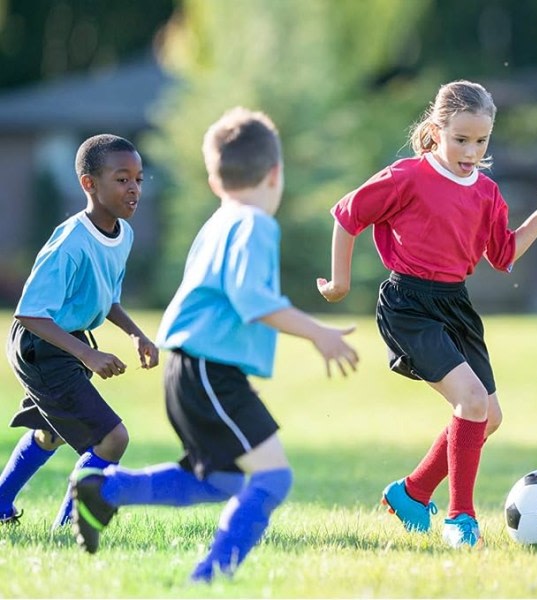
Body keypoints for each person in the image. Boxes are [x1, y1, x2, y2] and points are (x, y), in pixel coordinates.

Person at [70, 107, 359, 582]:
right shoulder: (255, 224)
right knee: (273, 477)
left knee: (220, 481)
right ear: (275, 174)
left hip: (190, 368)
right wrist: (318, 333)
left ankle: (107, 489)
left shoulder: (221, 220)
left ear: (213, 179)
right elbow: (252, 299)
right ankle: (208, 578)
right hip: (208, 371)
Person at [317, 80, 537, 548]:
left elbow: (503, 253)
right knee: (471, 403)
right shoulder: (407, 176)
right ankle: (461, 518)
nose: (471, 151)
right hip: (409, 304)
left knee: (488, 416)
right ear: (436, 130)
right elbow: (347, 215)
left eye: (481, 141)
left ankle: (411, 493)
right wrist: (339, 283)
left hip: (455, 305)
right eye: (461, 139)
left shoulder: (488, 193)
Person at [0, 134, 159, 530]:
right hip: (41, 344)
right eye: (122, 179)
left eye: (139, 179)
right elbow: (30, 313)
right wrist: (88, 354)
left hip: (63, 343)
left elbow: (104, 298)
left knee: (50, 433)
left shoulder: (123, 234)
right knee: (112, 439)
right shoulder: (71, 242)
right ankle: (70, 530)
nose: (134, 188)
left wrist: (136, 333)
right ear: (90, 184)